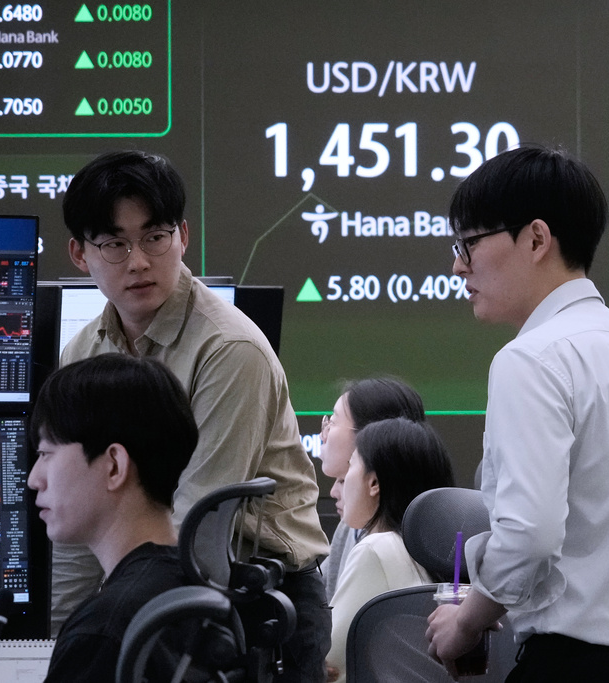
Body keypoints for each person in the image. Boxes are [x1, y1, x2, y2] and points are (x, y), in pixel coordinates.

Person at [425, 145, 609, 682]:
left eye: (469, 242)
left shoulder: (531, 359)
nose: (458, 263)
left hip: (577, 667)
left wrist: (464, 623)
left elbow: (529, 537)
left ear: (536, 238)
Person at [56, 150, 331, 682]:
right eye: (114, 243)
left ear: (182, 235)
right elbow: (75, 518)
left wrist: (106, 629)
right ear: (79, 253)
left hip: (254, 603)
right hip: (145, 592)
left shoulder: (229, 349)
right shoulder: (82, 355)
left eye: (155, 237)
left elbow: (195, 528)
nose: (137, 260)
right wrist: (64, 639)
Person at [28, 354, 198, 681]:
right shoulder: (190, 584)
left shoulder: (103, 632)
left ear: (114, 466)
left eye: (46, 453)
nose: (34, 479)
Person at [327, 418, 456, 683]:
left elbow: (329, 662)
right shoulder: (442, 554)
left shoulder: (376, 550)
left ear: (374, 483)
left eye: (350, 466)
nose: (335, 489)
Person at [318, 377, 427, 602]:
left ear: (373, 434)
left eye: (333, 423)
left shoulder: (404, 543)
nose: (323, 435)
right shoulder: (349, 526)